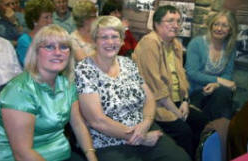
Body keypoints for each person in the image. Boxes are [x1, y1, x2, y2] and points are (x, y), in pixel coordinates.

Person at [75, 15, 191, 161]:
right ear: (94, 41)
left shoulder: (127, 63)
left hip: (144, 129)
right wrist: (141, 137)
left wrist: (147, 122)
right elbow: (97, 121)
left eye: (115, 36)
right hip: (109, 142)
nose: (110, 42)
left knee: (181, 158)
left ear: (122, 40)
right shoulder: (85, 69)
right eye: (104, 37)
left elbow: (149, 99)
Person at [0, 24, 97, 161]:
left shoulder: (66, 84)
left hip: (62, 155)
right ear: (35, 52)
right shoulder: (19, 91)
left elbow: (78, 125)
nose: (58, 52)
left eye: (64, 47)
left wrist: (91, 156)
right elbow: (22, 154)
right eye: (49, 47)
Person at [132, 5, 208, 159]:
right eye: (170, 21)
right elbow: (156, 86)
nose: (176, 25)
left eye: (179, 21)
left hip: (177, 100)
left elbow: (181, 77)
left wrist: (185, 101)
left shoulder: (175, 44)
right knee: (183, 131)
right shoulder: (149, 44)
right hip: (157, 104)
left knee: (202, 122)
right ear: (157, 24)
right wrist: (176, 112)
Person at [185, 10, 238, 121]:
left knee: (223, 92)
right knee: (224, 98)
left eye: (224, 26)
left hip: (216, 92)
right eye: (216, 24)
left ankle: (214, 131)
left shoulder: (230, 48)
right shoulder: (197, 43)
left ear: (230, 30)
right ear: (211, 26)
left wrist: (216, 85)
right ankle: (217, 131)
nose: (219, 29)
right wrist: (219, 80)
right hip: (195, 92)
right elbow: (191, 72)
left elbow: (228, 74)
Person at [16, 0, 54, 66]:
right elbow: (30, 67)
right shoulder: (24, 41)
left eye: (51, 17)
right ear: (34, 20)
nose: (50, 21)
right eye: (46, 17)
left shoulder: (54, 38)